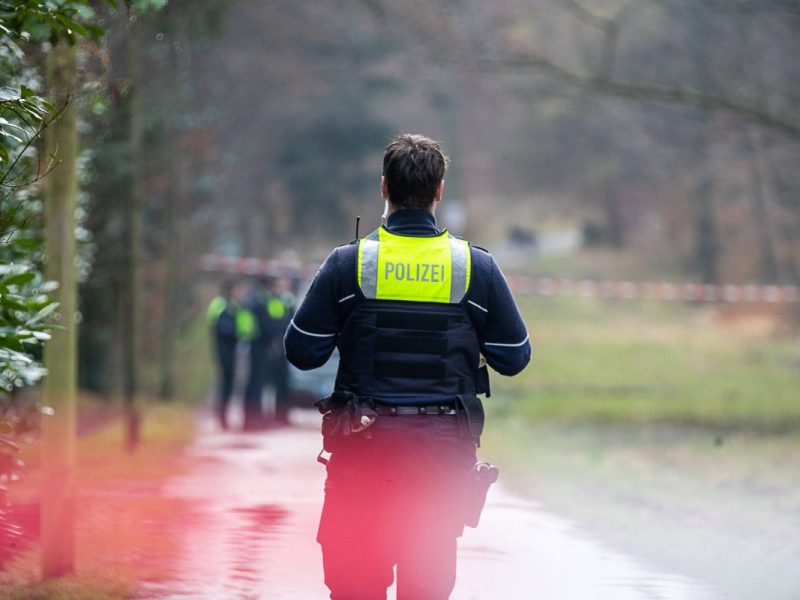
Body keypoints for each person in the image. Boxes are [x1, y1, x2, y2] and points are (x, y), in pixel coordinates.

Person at [285, 133, 530, 599]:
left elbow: (302, 351)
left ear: (384, 189)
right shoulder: (475, 269)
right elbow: (513, 356)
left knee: (356, 588)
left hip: (362, 453)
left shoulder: (347, 264)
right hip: (440, 459)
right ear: (439, 191)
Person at [206, 279, 241, 430]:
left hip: (230, 350)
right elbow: (223, 329)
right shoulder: (220, 305)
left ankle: (223, 415)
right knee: (225, 384)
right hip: (223, 349)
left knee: (228, 383)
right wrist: (237, 333)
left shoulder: (231, 306)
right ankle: (221, 416)